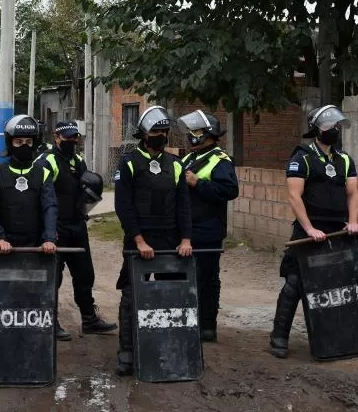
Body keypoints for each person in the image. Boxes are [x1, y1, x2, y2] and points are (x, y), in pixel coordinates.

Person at [0, 114, 58, 377]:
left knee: (34, 303)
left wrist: (49, 238)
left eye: (28, 141)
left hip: (35, 250)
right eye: (18, 141)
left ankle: (32, 349)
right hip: (2, 251)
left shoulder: (43, 173)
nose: (24, 146)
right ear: (9, 143)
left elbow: (50, 206)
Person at [269, 105, 358, 359]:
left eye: (337, 126)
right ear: (316, 130)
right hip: (308, 232)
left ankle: (340, 338)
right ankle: (279, 336)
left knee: (339, 285)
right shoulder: (302, 158)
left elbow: (353, 193)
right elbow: (294, 195)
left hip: (338, 233)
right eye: (330, 126)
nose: (335, 130)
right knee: (295, 284)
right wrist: (309, 228)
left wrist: (352, 222)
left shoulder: (344, 160)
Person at [113, 106, 193, 376]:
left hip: (170, 238)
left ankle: (169, 344)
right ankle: (126, 350)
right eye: (155, 131)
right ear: (144, 134)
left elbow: (184, 205)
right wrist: (138, 240)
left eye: (163, 132)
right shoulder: (129, 163)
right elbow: (124, 206)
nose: (160, 136)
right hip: (140, 240)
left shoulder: (176, 165)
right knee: (131, 294)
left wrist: (185, 239)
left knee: (172, 294)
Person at [38, 120, 116, 341]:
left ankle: (89, 319)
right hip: (56, 228)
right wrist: (47, 230)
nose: (73, 140)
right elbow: (41, 196)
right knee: (54, 277)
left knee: (85, 274)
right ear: (57, 137)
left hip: (77, 225)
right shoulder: (47, 161)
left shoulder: (77, 160)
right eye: (68, 137)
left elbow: (85, 187)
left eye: (75, 137)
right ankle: (49, 321)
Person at [177, 109, 240, 343]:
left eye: (197, 131)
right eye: (192, 131)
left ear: (209, 134)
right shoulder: (188, 158)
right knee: (183, 276)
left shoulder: (220, 160)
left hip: (208, 229)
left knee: (207, 279)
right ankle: (186, 320)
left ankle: (207, 326)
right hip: (186, 228)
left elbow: (230, 191)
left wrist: (198, 183)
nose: (193, 135)